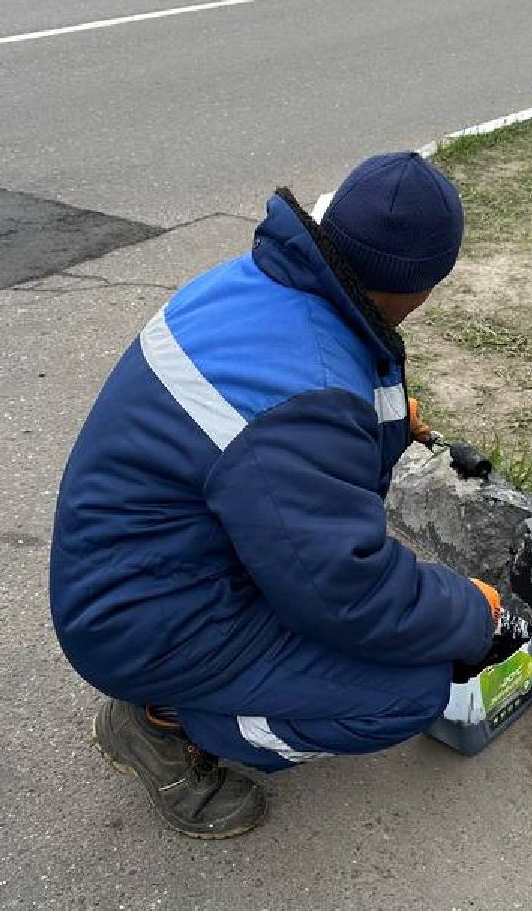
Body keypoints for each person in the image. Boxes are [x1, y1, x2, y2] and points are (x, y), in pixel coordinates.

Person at [48, 152, 501, 839]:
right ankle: (163, 725)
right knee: (407, 693)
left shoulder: (258, 285)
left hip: (138, 567)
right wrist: (471, 611)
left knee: (385, 630)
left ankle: (186, 692)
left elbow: (278, 461)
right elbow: (348, 591)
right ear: (422, 288)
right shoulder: (306, 394)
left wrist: (380, 428)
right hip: (142, 626)